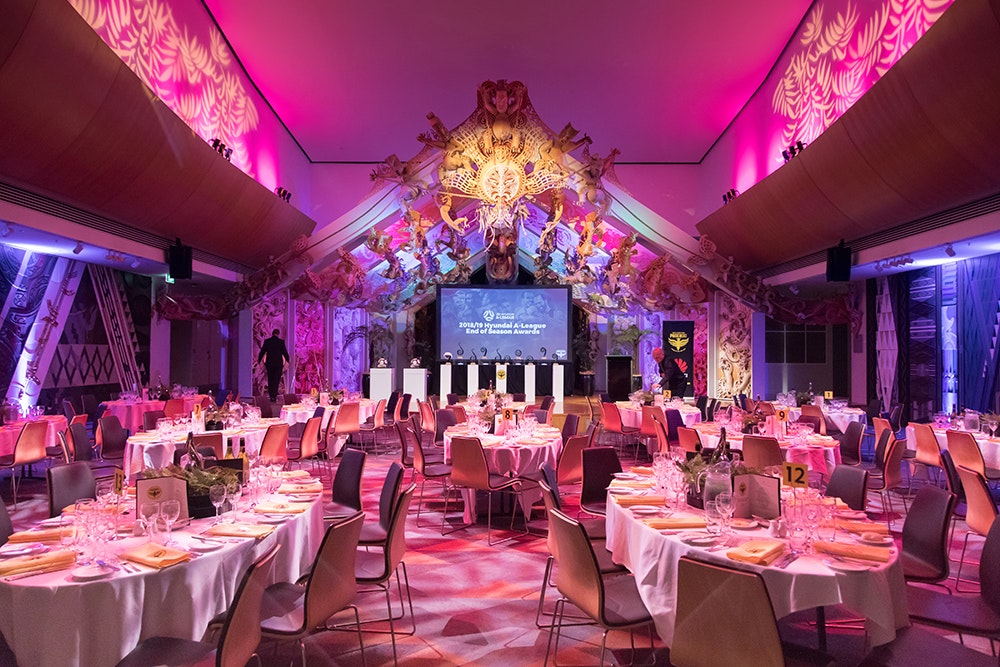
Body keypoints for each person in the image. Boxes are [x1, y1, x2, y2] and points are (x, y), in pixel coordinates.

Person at [257, 329, 289, 402]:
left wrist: (259, 360)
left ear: (272, 333)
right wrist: (287, 361)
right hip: (278, 364)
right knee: (276, 380)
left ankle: (271, 395)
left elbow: (262, 352)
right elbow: (285, 353)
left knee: (270, 379)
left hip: (269, 364)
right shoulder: (281, 342)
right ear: (278, 334)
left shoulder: (267, 341)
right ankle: (274, 396)